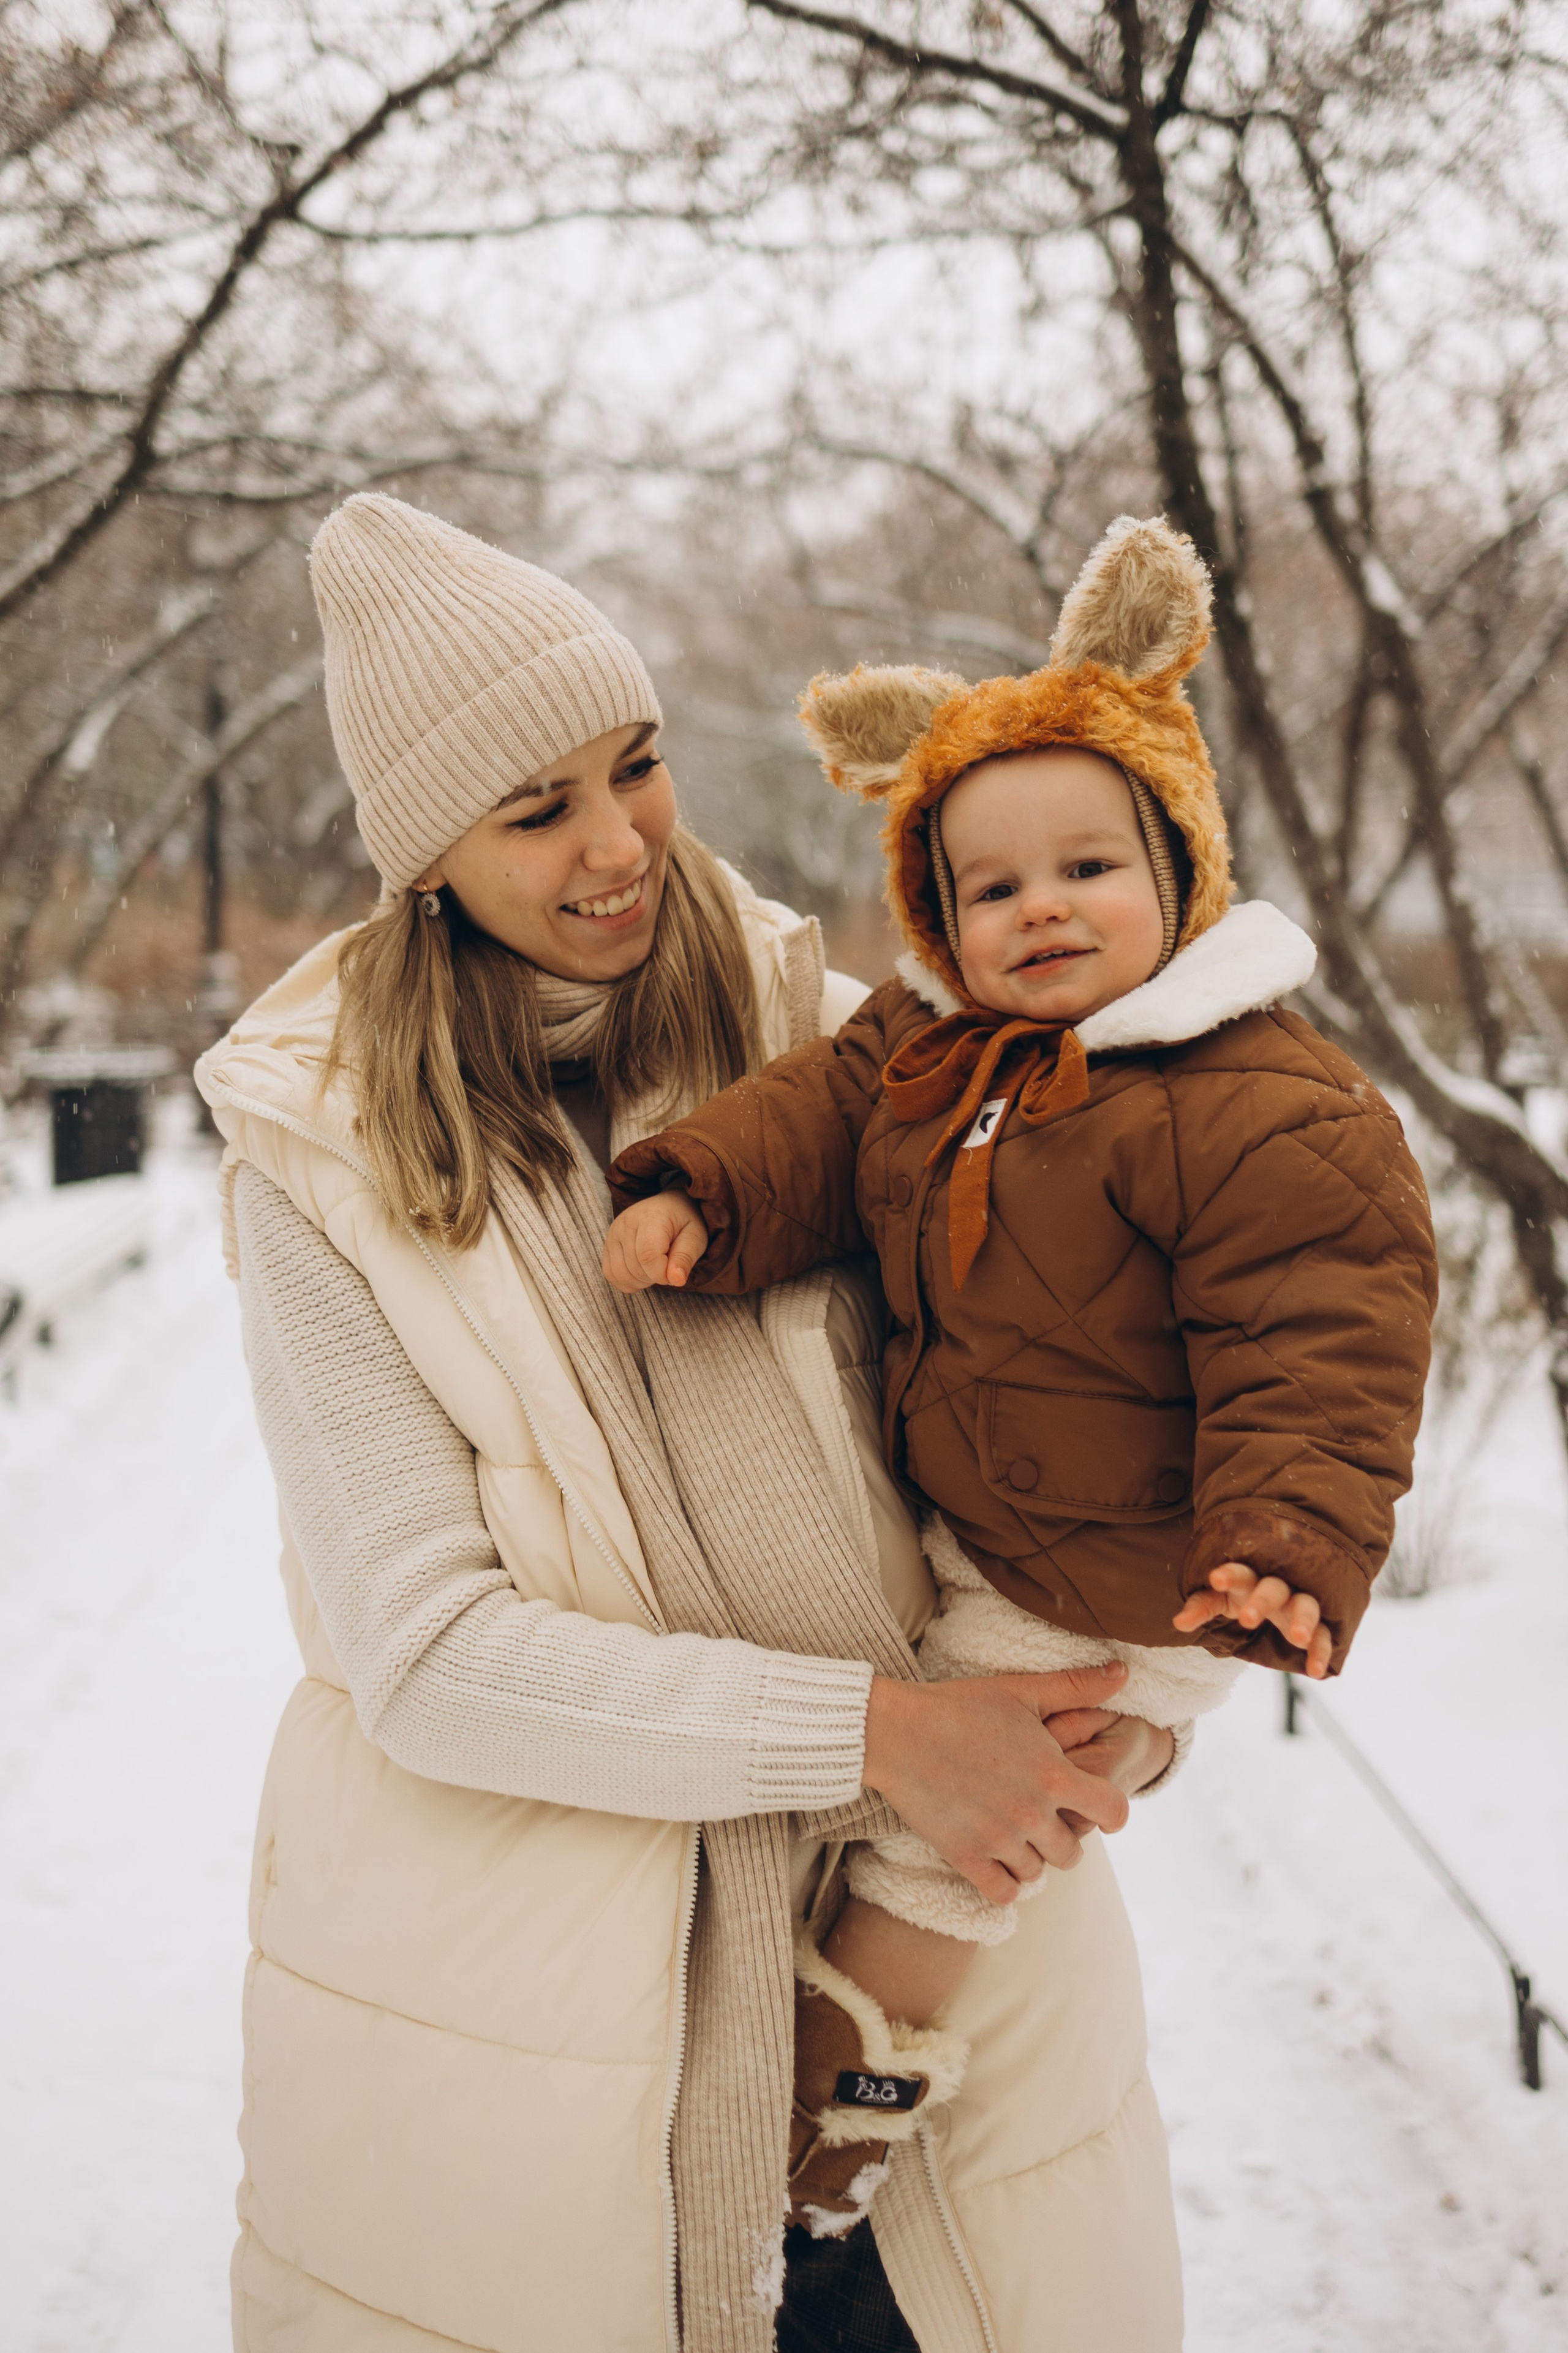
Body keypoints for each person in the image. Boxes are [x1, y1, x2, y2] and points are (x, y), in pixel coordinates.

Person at [196, 491, 1189, 2353]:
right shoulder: (321, 1162)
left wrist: (1104, 1703)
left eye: (634, 765)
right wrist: (882, 1733)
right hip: (545, 2023)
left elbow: (1078, 1409)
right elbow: (426, 1653)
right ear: (425, 856)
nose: (618, 842)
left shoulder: (857, 1046)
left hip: (948, 1977)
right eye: (536, 808)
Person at [603, 515, 1438, 2235]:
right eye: (990, 889)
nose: (1040, 907)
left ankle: (814, 2139)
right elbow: (814, 1119)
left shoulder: (1253, 1100)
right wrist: (706, 1192)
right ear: (939, 914)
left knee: (943, 1846)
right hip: (1009, 1528)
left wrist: (1283, 1542)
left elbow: (1320, 1334)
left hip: (1135, 1565)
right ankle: (1099, 1780)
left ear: (1181, 872)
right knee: (930, 1772)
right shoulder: (934, 1049)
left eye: (1088, 867)